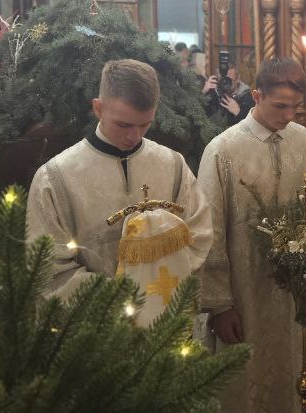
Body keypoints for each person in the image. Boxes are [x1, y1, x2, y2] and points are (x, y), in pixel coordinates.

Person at [196, 58, 306, 413]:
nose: (289, 116)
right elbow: (208, 232)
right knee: (246, 385)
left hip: (292, 293)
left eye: (295, 107)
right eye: (279, 106)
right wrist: (219, 304)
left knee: (293, 376)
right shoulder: (223, 150)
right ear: (256, 96)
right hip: (245, 291)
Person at [26, 59, 212, 316]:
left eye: (145, 124)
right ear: (98, 108)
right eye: (123, 125)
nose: (134, 136)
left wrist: (161, 286)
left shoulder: (173, 165)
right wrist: (125, 297)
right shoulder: (55, 178)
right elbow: (48, 269)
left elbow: (199, 234)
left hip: (166, 318)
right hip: (96, 324)